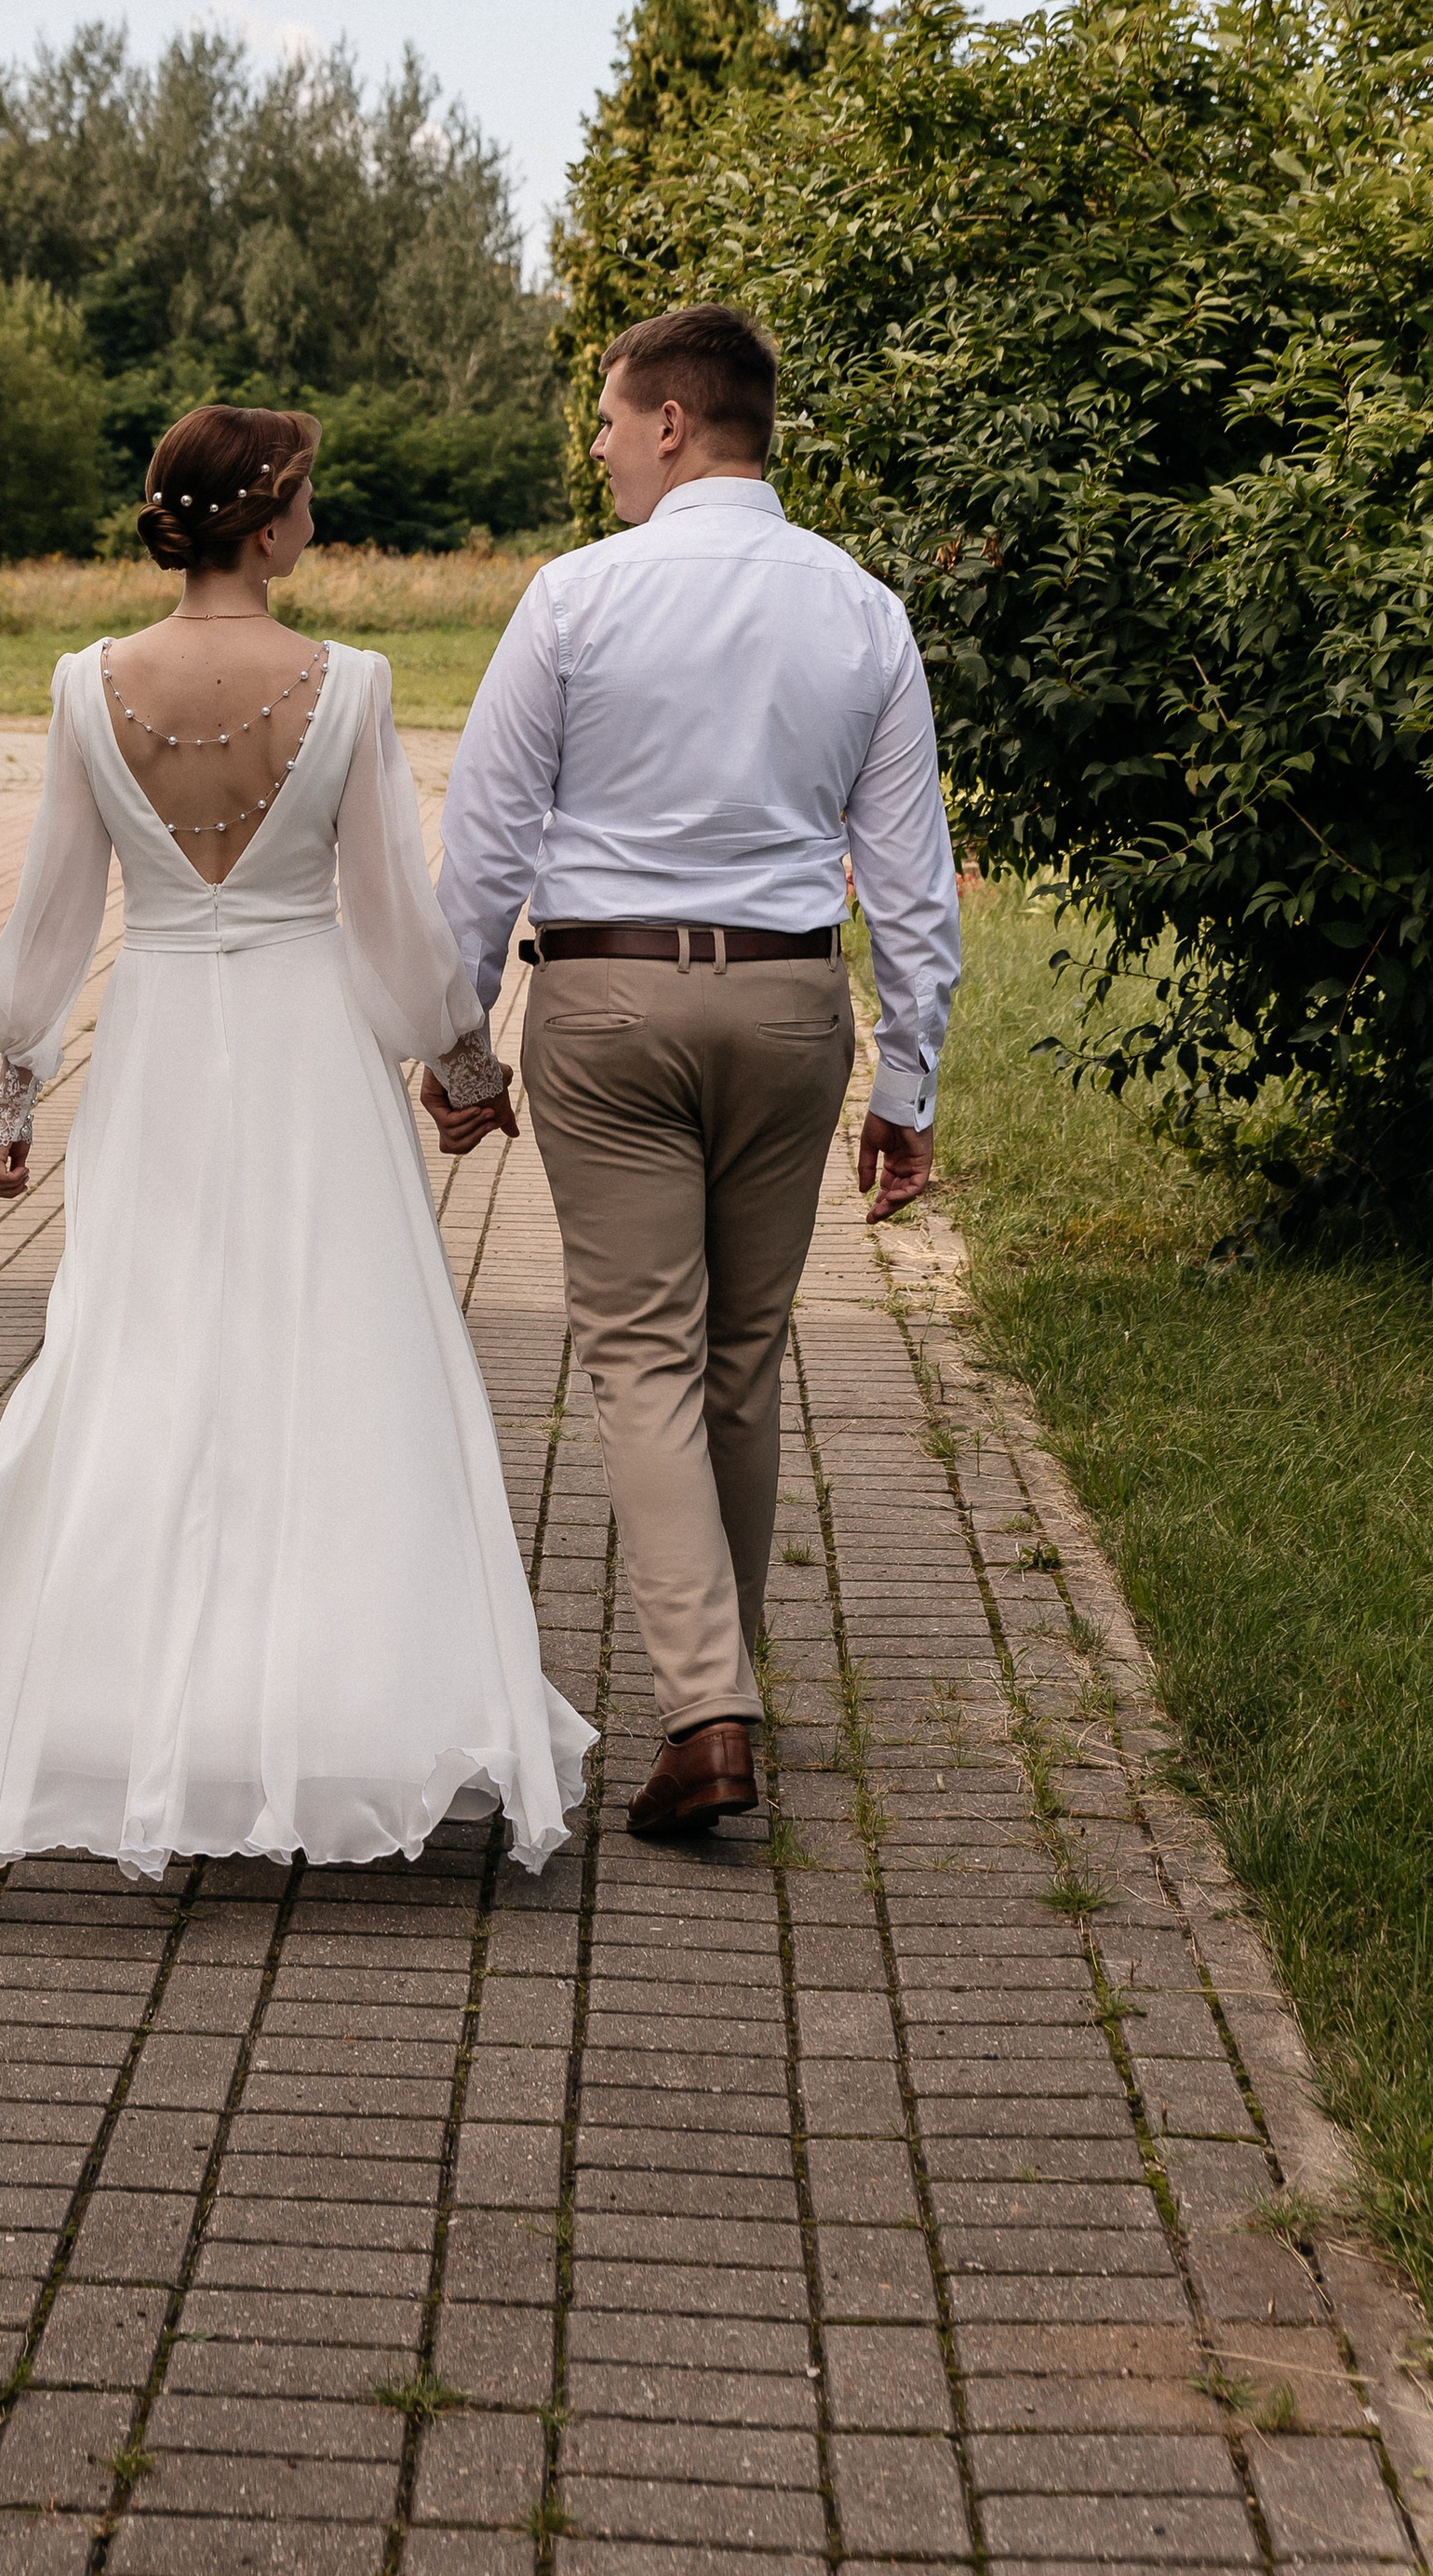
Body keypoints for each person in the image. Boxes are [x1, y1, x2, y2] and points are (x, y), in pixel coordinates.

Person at [0, 403, 593, 1885]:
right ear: (267, 524)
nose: (315, 515)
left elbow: (51, 910)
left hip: (166, 1051)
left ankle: (141, 1710)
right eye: (305, 496)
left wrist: (14, 1089)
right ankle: (342, 1714)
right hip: (314, 1056)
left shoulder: (86, 686)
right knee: (335, 1360)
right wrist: (459, 1061)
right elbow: (390, 911)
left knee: (152, 1354)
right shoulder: (351, 685)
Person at [433, 304, 959, 1844]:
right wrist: (909, 1083)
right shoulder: (862, 610)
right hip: (794, 1005)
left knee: (643, 1354)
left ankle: (705, 1711)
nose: (594, 444)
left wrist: (460, 1046)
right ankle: (726, 1676)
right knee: (742, 1349)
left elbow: (484, 848)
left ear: (674, 421)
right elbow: (912, 882)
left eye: (606, 417)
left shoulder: (574, 598)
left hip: (605, 1003)